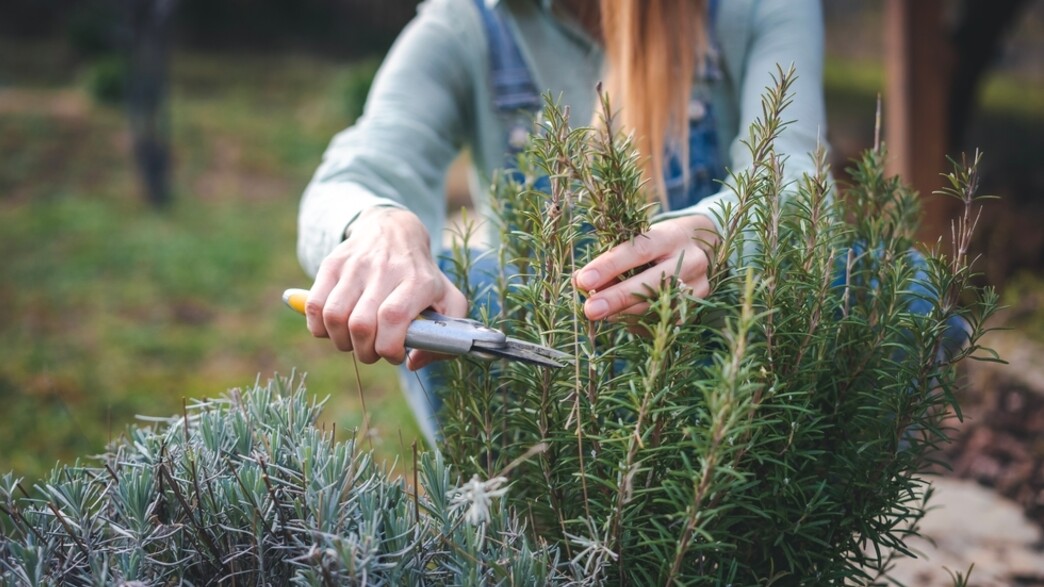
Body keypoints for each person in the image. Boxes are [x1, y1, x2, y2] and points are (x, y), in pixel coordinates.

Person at [296, 0, 828, 443]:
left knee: (899, 287)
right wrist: (377, 225)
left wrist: (721, 233)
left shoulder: (756, 10)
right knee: (461, 288)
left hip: (724, 369)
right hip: (543, 399)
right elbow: (356, 173)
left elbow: (796, 176)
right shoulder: (470, 21)